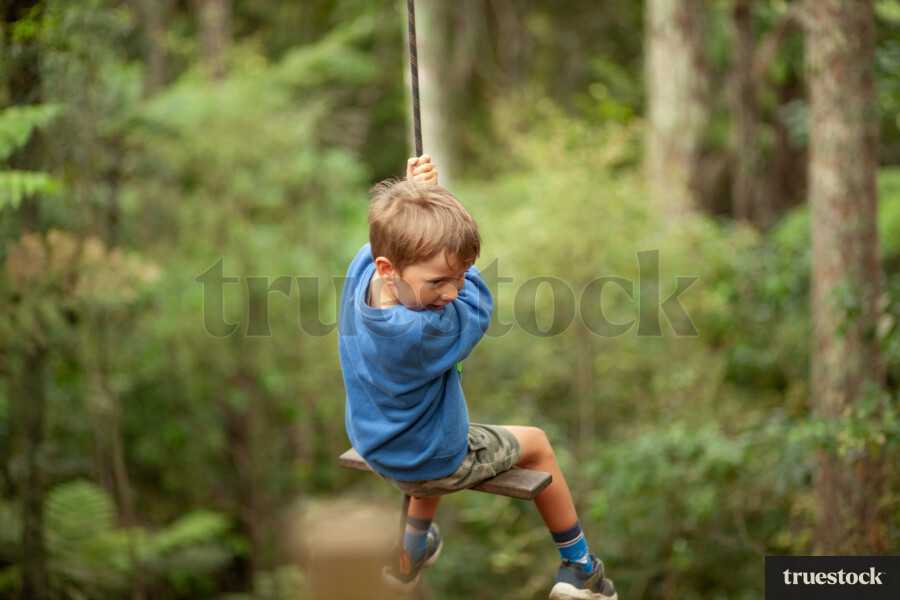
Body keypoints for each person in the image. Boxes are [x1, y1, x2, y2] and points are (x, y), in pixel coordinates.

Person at [338, 155, 617, 600]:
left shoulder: (362, 273)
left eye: (459, 277)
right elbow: (479, 303)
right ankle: (581, 568)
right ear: (390, 269)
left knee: (435, 427)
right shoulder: (422, 330)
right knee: (538, 444)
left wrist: (418, 198)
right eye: (440, 282)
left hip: (377, 440)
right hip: (428, 456)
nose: (450, 292)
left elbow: (391, 235)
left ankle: (411, 551)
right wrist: (459, 263)